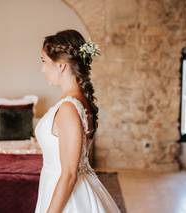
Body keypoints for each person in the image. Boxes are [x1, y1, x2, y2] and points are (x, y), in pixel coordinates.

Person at [34, 29, 121, 213]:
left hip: (68, 196)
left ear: (61, 66)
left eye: (44, 61)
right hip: (62, 186)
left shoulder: (68, 108)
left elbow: (69, 174)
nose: (42, 69)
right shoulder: (78, 102)